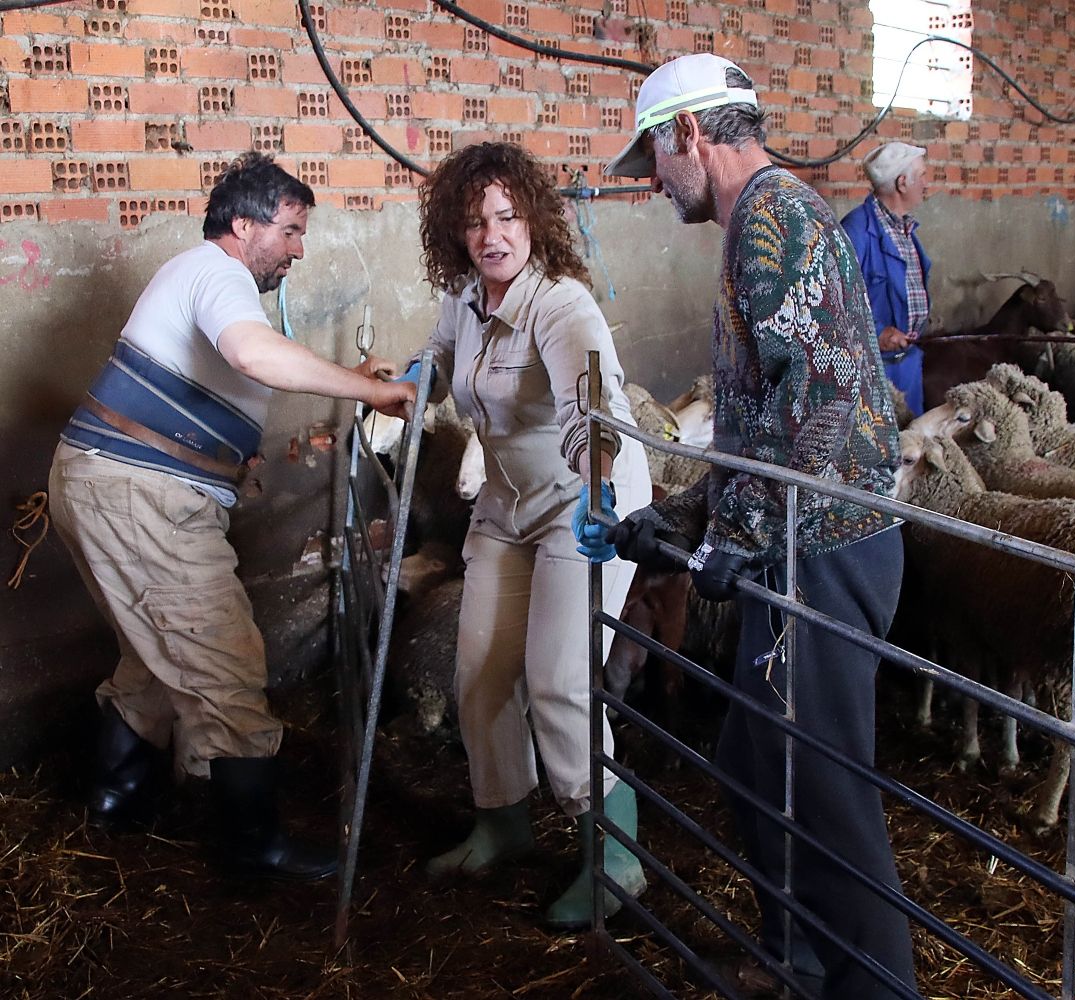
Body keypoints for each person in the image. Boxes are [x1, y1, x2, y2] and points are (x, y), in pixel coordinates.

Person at [603, 53, 917, 1000]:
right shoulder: (762, 222)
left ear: (688, 134)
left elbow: (821, 410)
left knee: (824, 791)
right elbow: (765, 416)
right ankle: (804, 958)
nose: (654, 181)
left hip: (822, 547)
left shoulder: (771, 219)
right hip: (796, 537)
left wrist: (731, 538)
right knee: (751, 761)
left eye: (654, 157)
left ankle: (872, 988)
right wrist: (690, 513)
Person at [50, 151, 416, 881]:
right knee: (224, 660)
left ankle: (117, 808)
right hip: (140, 494)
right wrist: (365, 392)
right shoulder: (215, 272)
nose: (298, 248)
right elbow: (253, 354)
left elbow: (253, 351)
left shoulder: (207, 280)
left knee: (156, 659)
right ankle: (254, 849)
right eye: (289, 230)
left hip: (113, 485)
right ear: (243, 224)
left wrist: (350, 379)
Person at [394, 141, 651, 929]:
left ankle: (613, 851)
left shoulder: (562, 306)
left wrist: (598, 485)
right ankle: (501, 819)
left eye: (507, 216)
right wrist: (405, 382)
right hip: (507, 508)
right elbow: (437, 362)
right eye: (475, 222)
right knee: (479, 672)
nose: (492, 235)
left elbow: (590, 411)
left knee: (558, 680)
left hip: (585, 504)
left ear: (534, 219)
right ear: (457, 233)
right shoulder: (465, 300)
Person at [840, 141, 932, 415]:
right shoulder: (856, 230)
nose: (927, 183)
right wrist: (878, 332)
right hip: (873, 370)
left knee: (908, 448)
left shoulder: (905, 229)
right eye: (923, 175)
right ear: (903, 183)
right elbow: (834, 300)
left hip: (908, 364)